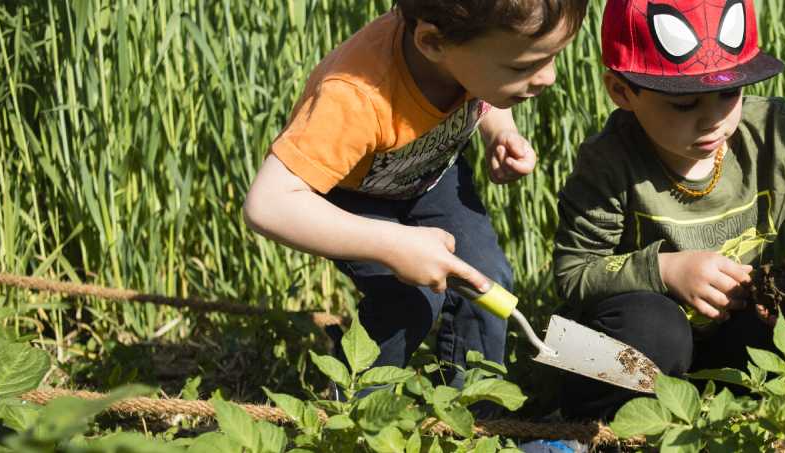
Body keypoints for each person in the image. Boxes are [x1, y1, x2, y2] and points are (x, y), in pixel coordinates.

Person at [551, 0, 785, 419]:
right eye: (684, 104)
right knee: (658, 326)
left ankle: (746, 421)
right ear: (622, 91)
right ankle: (581, 430)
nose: (712, 119)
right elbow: (572, 274)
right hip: (619, 353)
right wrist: (666, 272)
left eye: (729, 93)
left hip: (728, 335)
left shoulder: (771, 136)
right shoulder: (610, 162)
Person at [241, 0, 588, 392]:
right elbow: (267, 204)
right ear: (432, 43)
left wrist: (498, 132)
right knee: (410, 297)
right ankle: (356, 411)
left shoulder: (464, 47)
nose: (549, 78)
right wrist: (395, 245)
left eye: (553, 56)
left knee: (487, 281)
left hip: (430, 178)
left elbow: (482, 91)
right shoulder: (356, 95)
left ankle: (476, 415)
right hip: (354, 197)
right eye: (522, 67)